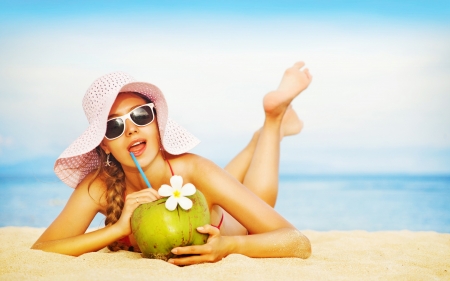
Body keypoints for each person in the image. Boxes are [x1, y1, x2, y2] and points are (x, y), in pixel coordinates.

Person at [32, 62, 313, 265]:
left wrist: (230, 245)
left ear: (156, 124)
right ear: (103, 143)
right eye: (114, 126)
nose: (130, 130)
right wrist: (117, 229)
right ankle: (257, 139)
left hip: (235, 225)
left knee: (258, 195)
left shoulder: (194, 170)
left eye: (140, 116)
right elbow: (42, 249)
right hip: (206, 189)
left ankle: (272, 121)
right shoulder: (99, 187)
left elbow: (296, 240)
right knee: (222, 183)